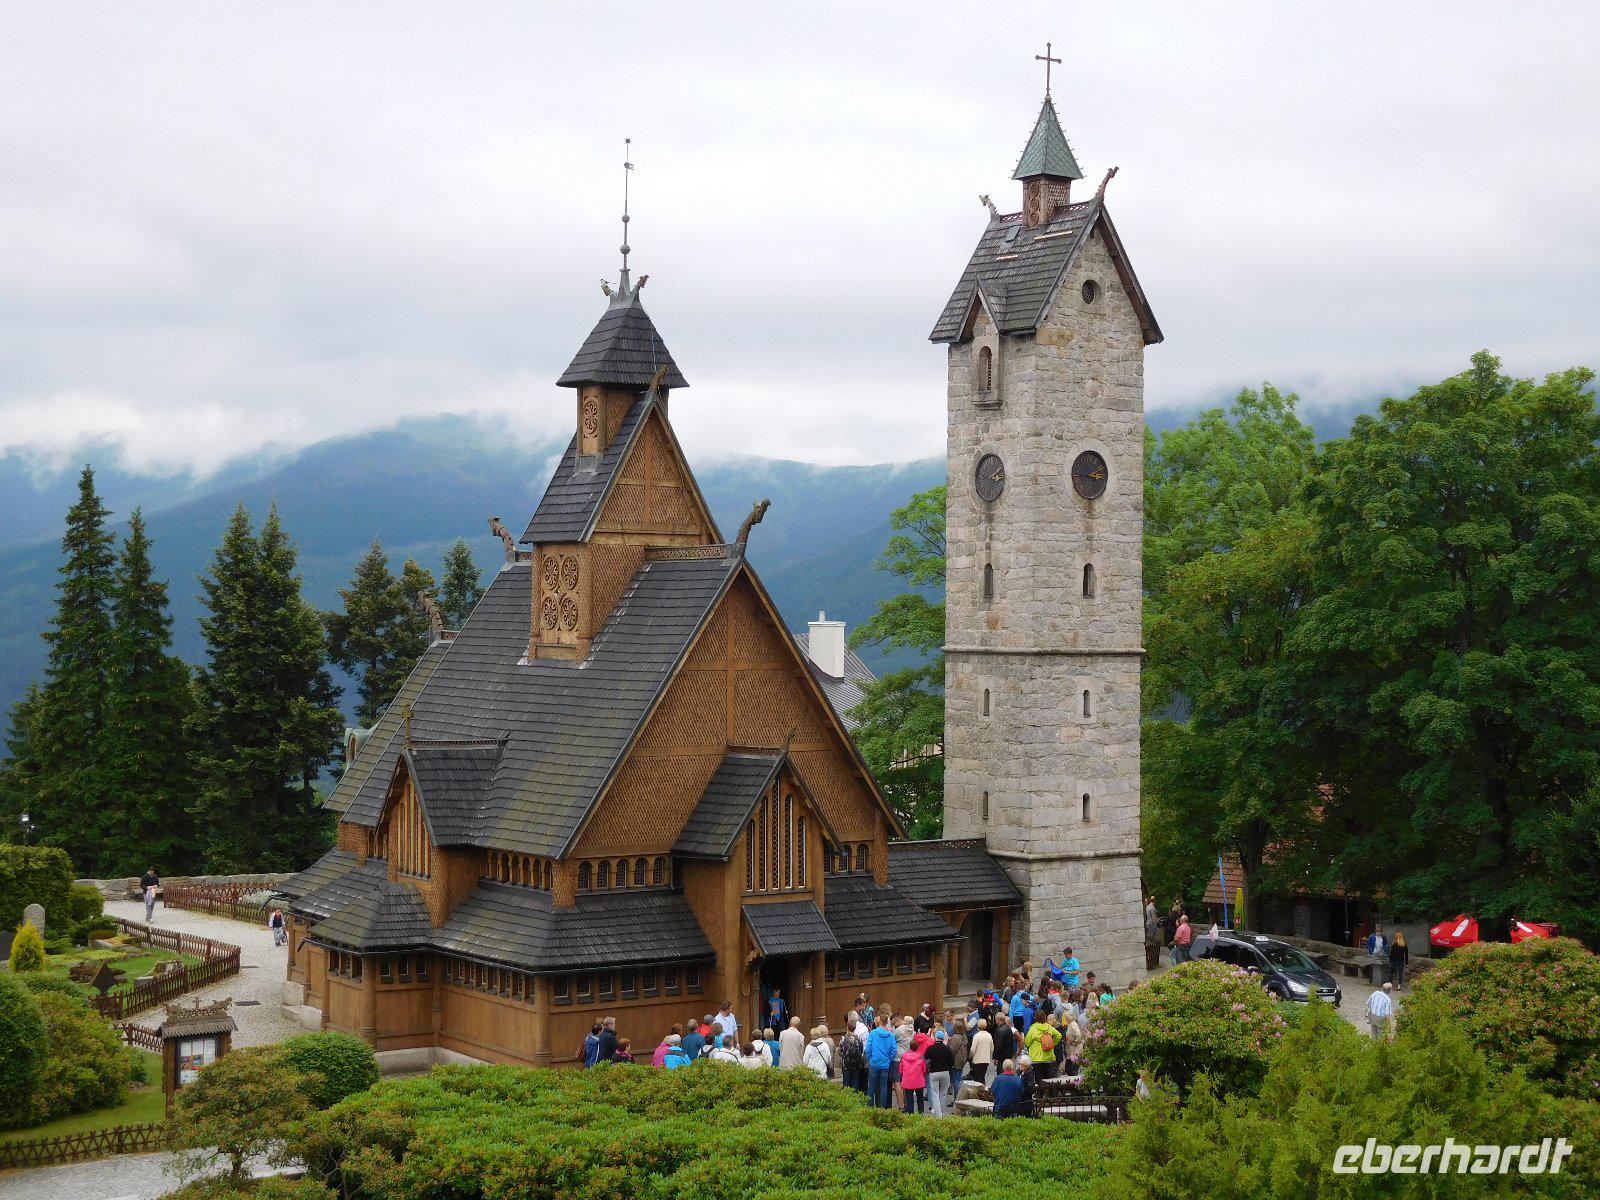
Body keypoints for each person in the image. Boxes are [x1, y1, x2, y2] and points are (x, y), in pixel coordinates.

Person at [865, 1013, 899, 1109]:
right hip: (885, 1064)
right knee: (884, 1086)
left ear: (879, 1021)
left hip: (874, 1062)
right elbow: (893, 1050)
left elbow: (868, 1048)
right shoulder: (891, 1035)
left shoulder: (873, 1033)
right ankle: (882, 1108)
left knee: (871, 1085)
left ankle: (870, 1107)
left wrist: (870, 1058)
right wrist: (889, 1059)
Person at [898, 1032, 930, 1114]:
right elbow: (924, 1070)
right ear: (917, 1047)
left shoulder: (904, 1056)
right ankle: (921, 1113)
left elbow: (900, 1069)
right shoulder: (921, 1057)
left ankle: (911, 1114)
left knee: (909, 1098)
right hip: (919, 1081)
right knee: (920, 1098)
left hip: (907, 1081)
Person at [925, 1028, 954, 1116]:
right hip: (945, 1072)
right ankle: (942, 1111)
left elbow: (926, 1058)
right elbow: (952, 1062)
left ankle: (938, 1114)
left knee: (935, 1093)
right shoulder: (947, 1049)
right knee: (943, 1093)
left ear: (935, 1037)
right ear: (943, 1038)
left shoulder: (930, 1048)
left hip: (934, 1072)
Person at [838, 1018, 866, 1091]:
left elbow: (840, 1051)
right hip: (857, 1063)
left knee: (846, 1082)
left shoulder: (843, 1038)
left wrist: (844, 1056)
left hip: (846, 1064)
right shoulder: (859, 1038)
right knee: (855, 1082)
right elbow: (861, 1049)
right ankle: (856, 1099)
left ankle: (847, 1099)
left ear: (847, 1027)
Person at [969, 1018, 994, 1086]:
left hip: (977, 1060)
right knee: (982, 1077)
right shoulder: (989, 1035)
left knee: (977, 1079)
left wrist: (970, 1056)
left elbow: (973, 1049)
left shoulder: (976, 1036)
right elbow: (992, 1049)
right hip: (985, 1060)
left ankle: (978, 1093)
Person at [947, 1020, 969, 1097]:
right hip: (962, 1061)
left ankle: (957, 1099)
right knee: (959, 1079)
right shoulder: (963, 1036)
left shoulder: (956, 1037)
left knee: (955, 1081)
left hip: (956, 1061)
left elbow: (951, 1050)